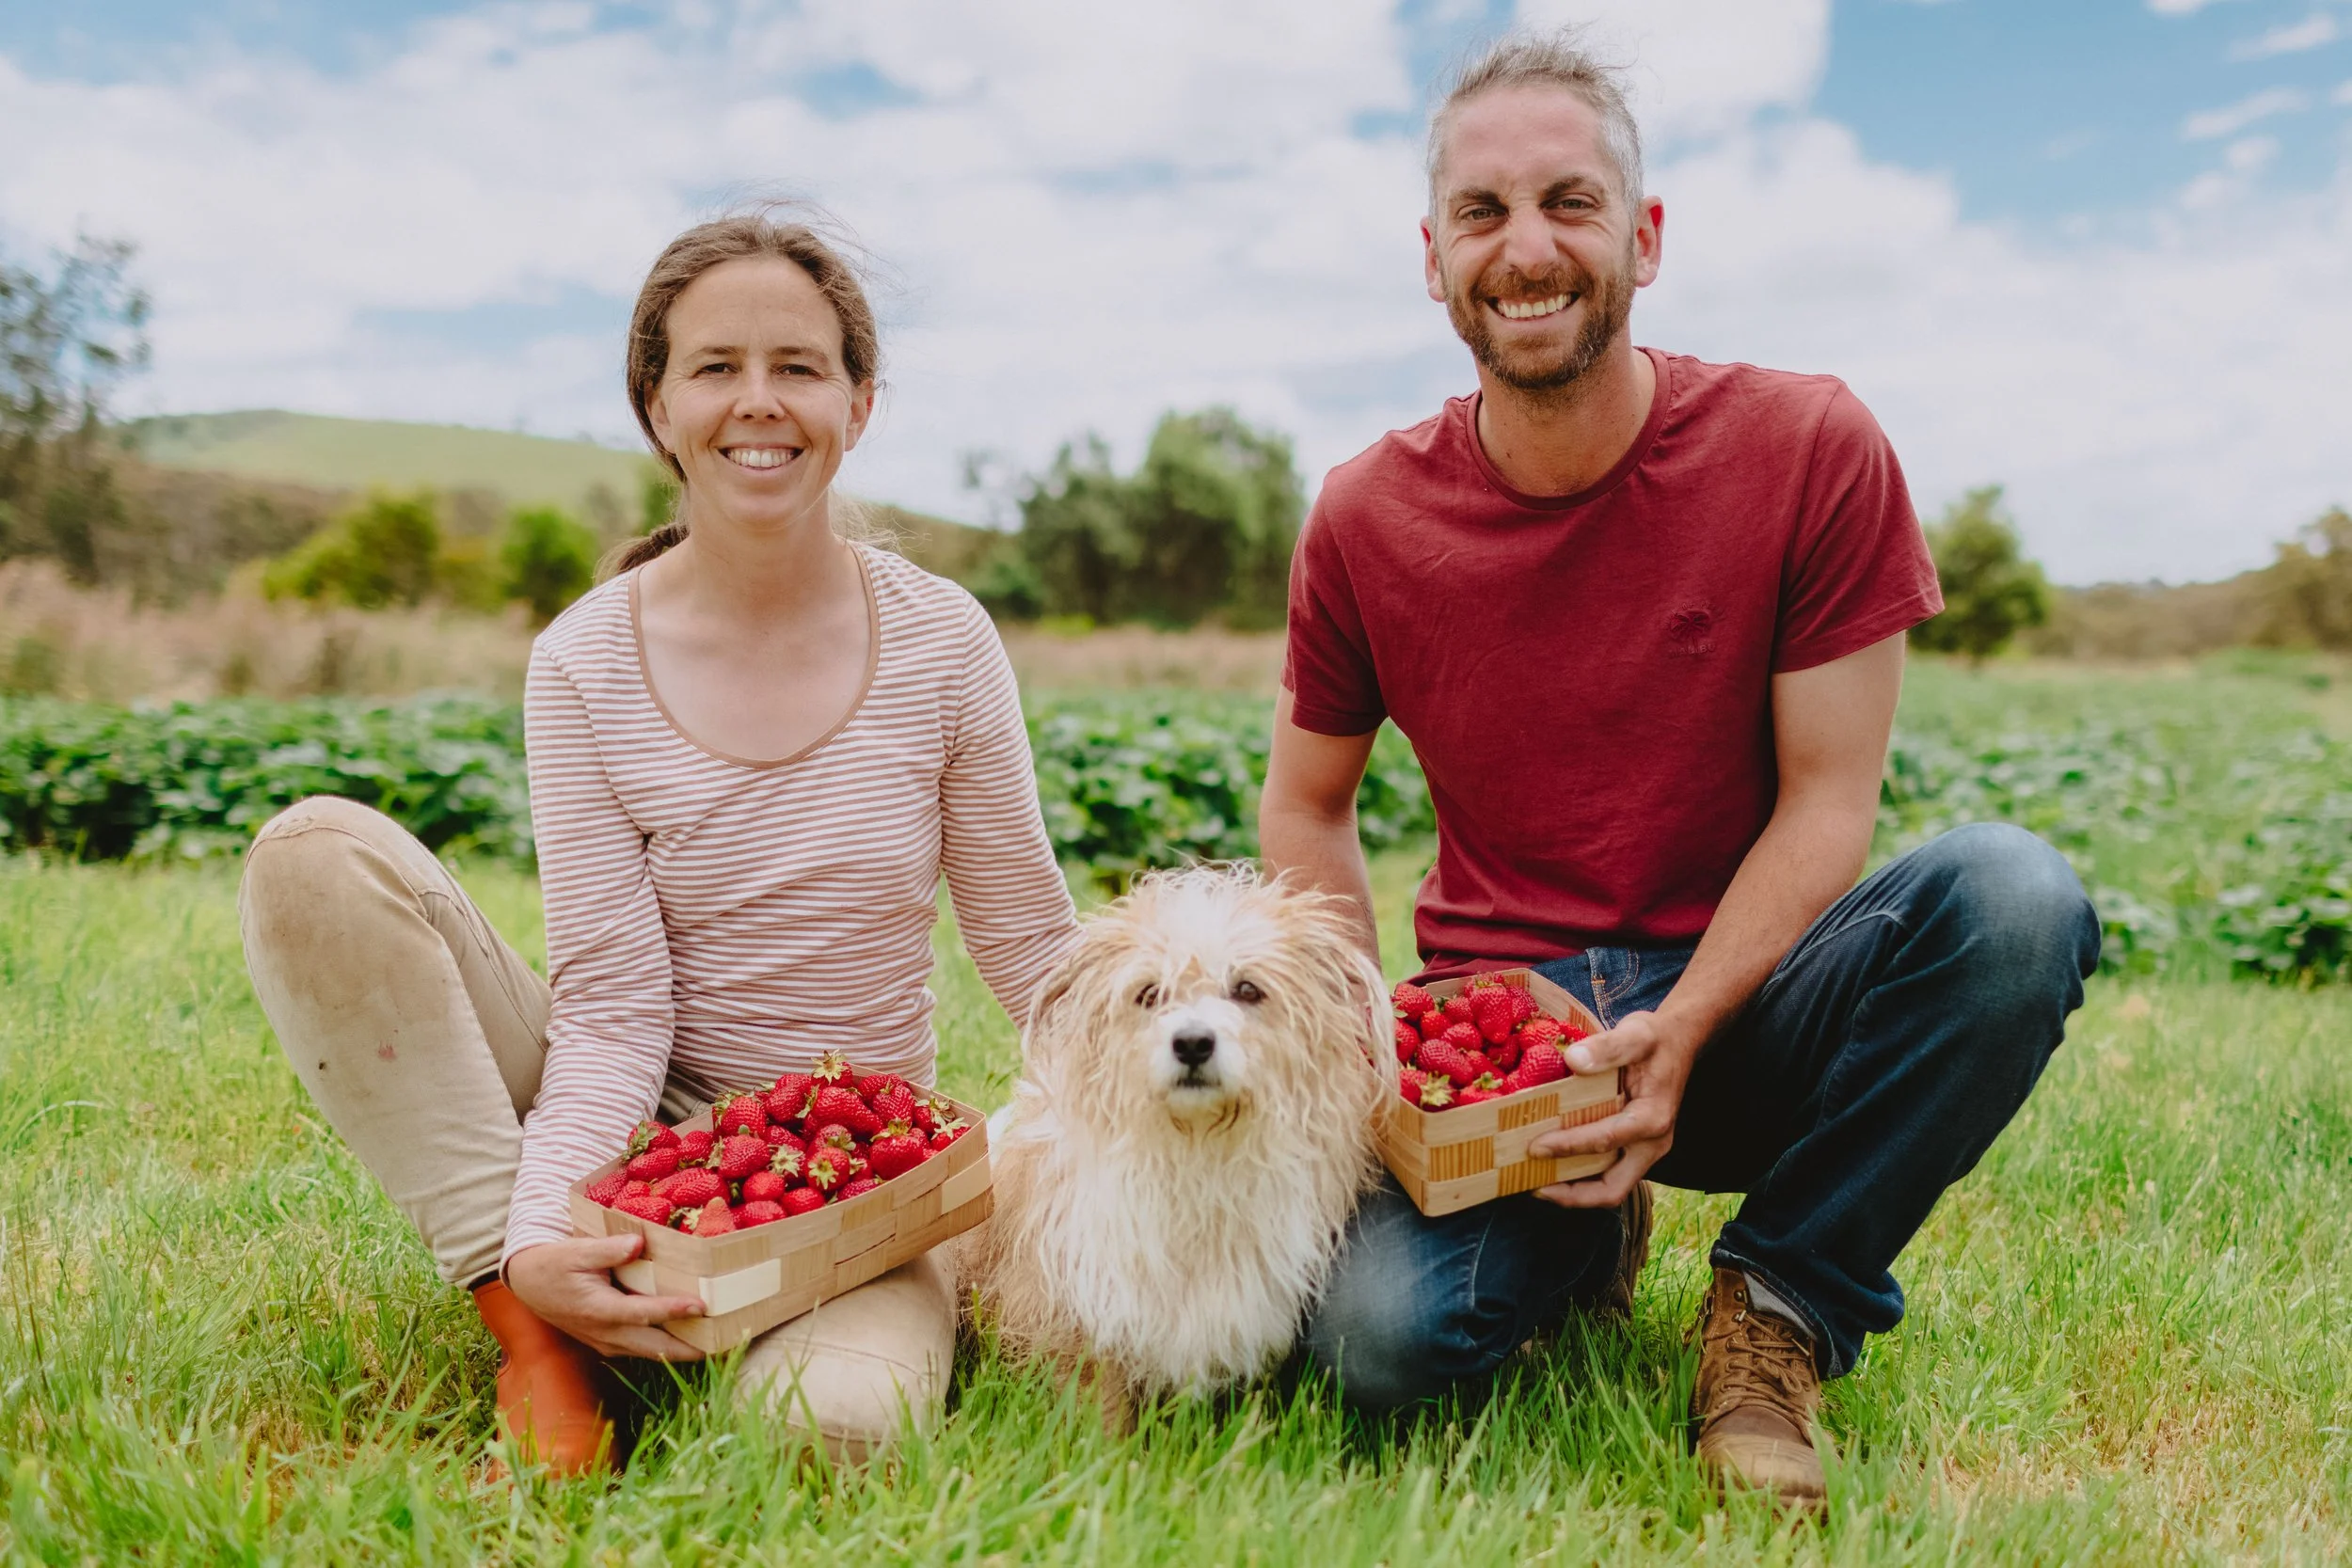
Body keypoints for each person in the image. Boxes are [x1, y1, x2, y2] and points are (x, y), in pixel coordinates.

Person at [1261, 36, 2099, 1509]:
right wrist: (1371, 1059)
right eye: (1482, 212)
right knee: (1372, 1344)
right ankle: (1583, 1225)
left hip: (1757, 999)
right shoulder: (1366, 514)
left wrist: (1688, 1020)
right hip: (1514, 1041)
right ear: (1434, 258)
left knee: (2015, 898)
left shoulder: (1808, 445)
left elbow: (1830, 798)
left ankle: (1780, 1299)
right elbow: (1306, 803)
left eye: (1570, 203)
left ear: (1643, 238)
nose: (1527, 249)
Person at [238, 210, 1079, 1474]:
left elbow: (1029, 949)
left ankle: (686, 1319)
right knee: (316, 858)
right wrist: (541, 1230)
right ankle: (537, 1331)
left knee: (832, 1435)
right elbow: (615, 1009)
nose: (759, 402)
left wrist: (1193, 1060)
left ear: (859, 404)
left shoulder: (943, 639)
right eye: (715, 366)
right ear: (658, 406)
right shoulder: (584, 659)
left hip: (853, 1173)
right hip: (642, 1124)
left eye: (799, 367)